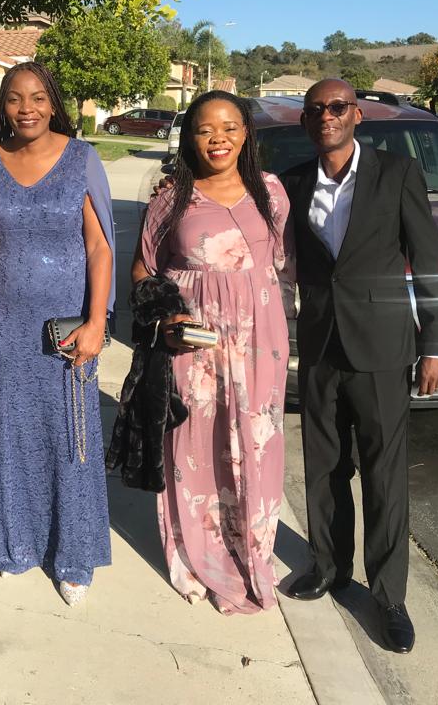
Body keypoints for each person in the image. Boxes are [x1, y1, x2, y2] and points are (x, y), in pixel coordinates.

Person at [282, 79, 438, 654]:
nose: (326, 116)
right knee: (323, 466)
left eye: (337, 107)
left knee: (384, 474)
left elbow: (428, 258)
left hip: (382, 348)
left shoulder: (396, 173)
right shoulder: (292, 183)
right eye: (315, 110)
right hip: (320, 346)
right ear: (306, 121)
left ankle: (389, 598)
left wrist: (436, 345)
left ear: (356, 115)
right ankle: (328, 567)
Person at [0, 62, 115, 606]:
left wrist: (97, 322)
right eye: (15, 98)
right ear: (2, 106)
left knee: (69, 435)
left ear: (53, 104)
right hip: (0, 325)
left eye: (38, 97)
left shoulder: (81, 158)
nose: (27, 108)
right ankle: (12, 541)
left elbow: (99, 247)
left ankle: (73, 556)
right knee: (7, 434)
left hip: (66, 328)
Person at [133, 90, 294, 615]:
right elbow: (144, 269)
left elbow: (280, 267)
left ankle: (251, 554)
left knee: (255, 445)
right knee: (194, 446)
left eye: (229, 127)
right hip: (193, 345)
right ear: (189, 137)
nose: (217, 138)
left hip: (259, 343)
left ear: (246, 133)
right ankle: (197, 554)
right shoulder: (171, 198)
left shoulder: (271, 192)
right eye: (205, 129)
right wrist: (166, 318)